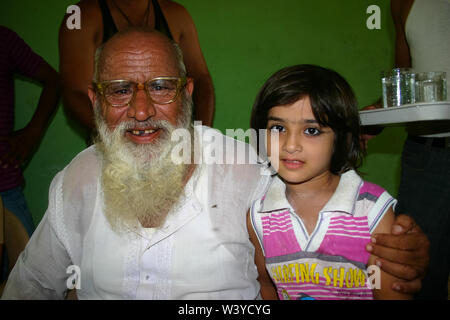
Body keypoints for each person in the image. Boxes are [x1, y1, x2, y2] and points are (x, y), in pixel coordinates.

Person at [2, 29, 428, 299]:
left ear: (188, 94)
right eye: (119, 90)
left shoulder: (253, 168)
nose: (142, 109)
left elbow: (334, 228)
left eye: (161, 88)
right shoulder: (75, 180)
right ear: (95, 101)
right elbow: (31, 287)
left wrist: (398, 245)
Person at [248, 64, 414, 300]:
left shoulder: (372, 212)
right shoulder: (259, 216)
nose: (291, 145)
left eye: (312, 131)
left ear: (340, 138)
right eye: (278, 128)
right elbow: (266, 287)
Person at [361, 0, 450, 300]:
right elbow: (405, 83)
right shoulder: (401, 4)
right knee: (416, 274)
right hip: (428, 154)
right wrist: (376, 116)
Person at [58, 0, 214, 143]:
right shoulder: (81, 16)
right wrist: (125, 134)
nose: (141, 113)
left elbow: (202, 82)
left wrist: (197, 138)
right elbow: (74, 94)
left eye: (159, 87)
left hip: (173, 142)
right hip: (114, 147)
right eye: (121, 90)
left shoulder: (176, 15)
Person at [0, 26, 60, 282]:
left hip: (3, 187)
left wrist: (32, 132)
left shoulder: (2, 39)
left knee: (29, 279)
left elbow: (53, 79)